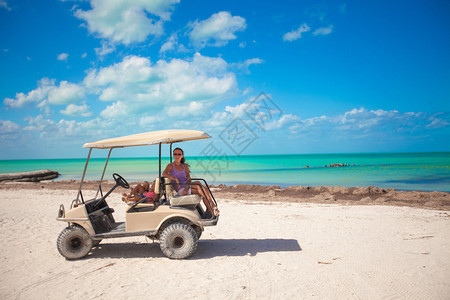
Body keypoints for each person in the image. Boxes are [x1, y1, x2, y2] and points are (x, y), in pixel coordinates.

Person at [162, 147, 219, 217]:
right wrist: (175, 178)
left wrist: (186, 188)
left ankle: (209, 209)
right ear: (173, 155)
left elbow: (188, 179)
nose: (177, 156)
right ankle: (212, 207)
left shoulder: (184, 166)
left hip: (186, 186)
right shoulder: (170, 166)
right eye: (175, 154)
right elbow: (164, 174)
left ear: (182, 156)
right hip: (180, 189)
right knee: (201, 189)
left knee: (200, 186)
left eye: (179, 154)